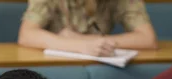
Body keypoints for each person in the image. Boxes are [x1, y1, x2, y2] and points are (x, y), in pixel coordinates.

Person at [18, 0, 157, 56]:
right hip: (56, 66)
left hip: (101, 65)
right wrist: (78, 45)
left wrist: (84, 40)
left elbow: (148, 39)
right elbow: (27, 34)